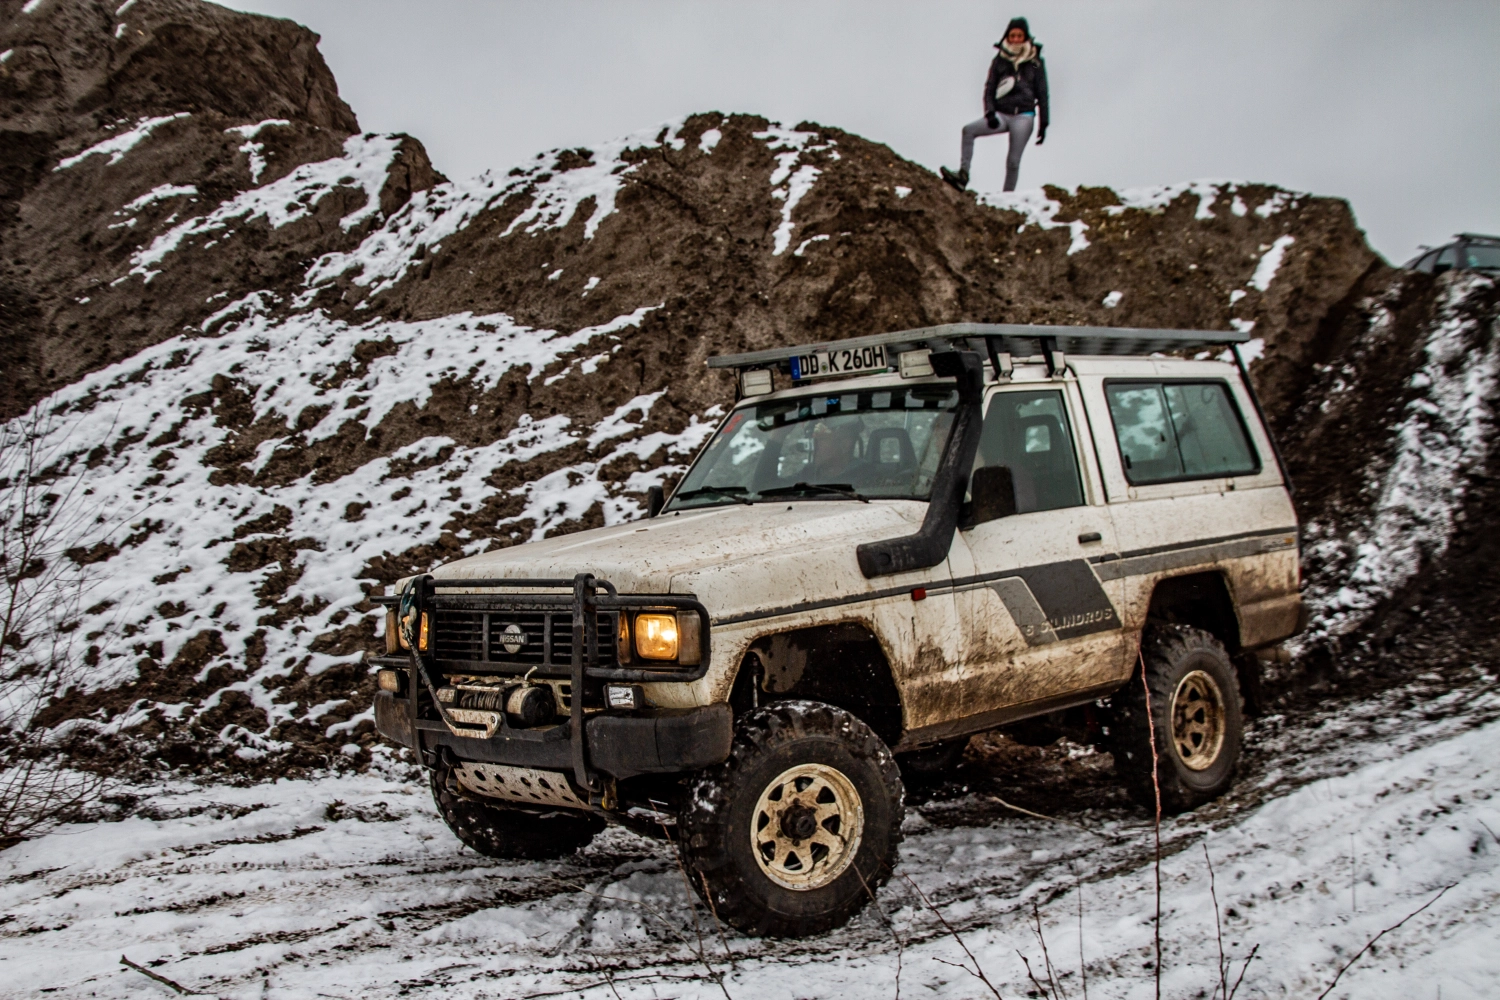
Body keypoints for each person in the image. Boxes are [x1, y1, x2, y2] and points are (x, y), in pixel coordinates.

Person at [941, 17, 1049, 193]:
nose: (1015, 39)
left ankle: (1007, 199)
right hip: (1002, 114)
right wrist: (989, 112)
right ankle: (962, 176)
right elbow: (989, 88)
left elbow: (1043, 93)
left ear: (1026, 37)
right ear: (1007, 36)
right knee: (968, 130)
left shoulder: (1036, 62)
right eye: (1012, 35)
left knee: (1013, 161)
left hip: (1024, 115)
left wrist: (1044, 123)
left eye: (1019, 36)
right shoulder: (999, 60)